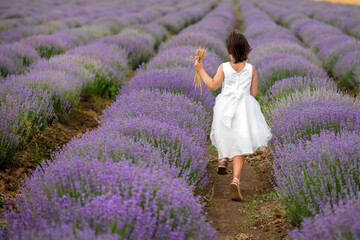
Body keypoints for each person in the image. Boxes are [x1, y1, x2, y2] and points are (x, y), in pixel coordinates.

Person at [194, 30, 272, 201]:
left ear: (229, 50)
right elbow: (254, 92)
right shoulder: (251, 69)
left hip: (225, 106)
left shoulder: (224, 67)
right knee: (240, 144)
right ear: (246, 50)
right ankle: (236, 180)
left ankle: (223, 159)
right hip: (244, 107)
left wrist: (200, 70)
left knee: (224, 134)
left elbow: (213, 85)